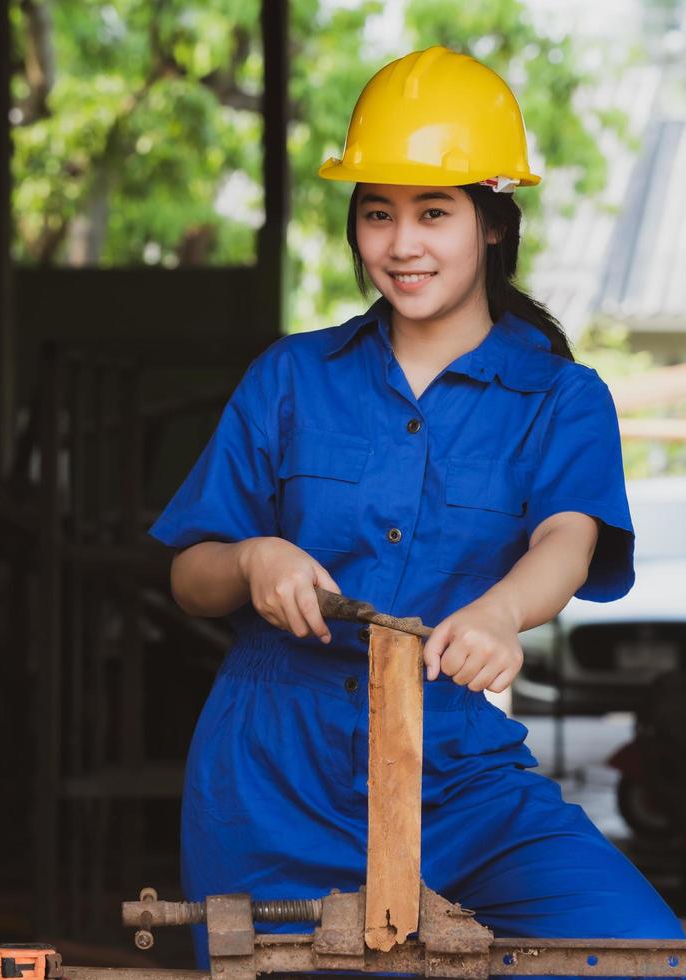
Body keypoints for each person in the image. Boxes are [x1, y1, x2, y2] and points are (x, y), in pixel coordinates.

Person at [149, 45, 685, 971]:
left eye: (432, 213)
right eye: (376, 214)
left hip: (459, 766)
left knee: (640, 954)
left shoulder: (560, 396)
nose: (401, 245)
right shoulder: (290, 378)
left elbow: (567, 535)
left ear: (489, 222)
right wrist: (251, 560)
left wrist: (500, 611)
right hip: (275, 768)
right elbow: (190, 575)